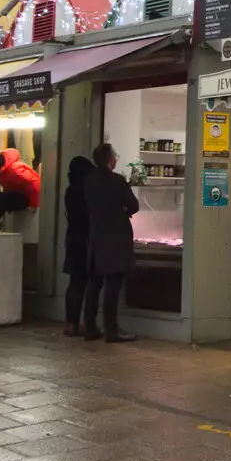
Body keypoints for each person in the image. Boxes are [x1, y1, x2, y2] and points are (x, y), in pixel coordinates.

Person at [82, 142, 139, 343]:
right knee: (113, 285)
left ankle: (89, 326)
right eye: (114, 156)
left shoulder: (89, 181)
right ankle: (111, 329)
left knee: (94, 283)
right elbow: (134, 205)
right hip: (116, 238)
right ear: (109, 160)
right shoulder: (117, 181)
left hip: (96, 236)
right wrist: (123, 212)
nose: (116, 159)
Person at [61, 155, 92, 336]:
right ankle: (81, 323)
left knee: (74, 282)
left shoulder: (70, 190)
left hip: (72, 238)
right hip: (85, 239)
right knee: (84, 283)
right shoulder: (86, 190)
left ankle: (69, 323)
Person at [0, 148, 41, 229]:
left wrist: (34, 205)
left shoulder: (13, 170)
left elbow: (34, 183)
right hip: (22, 196)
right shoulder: (3, 173)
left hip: (28, 198)